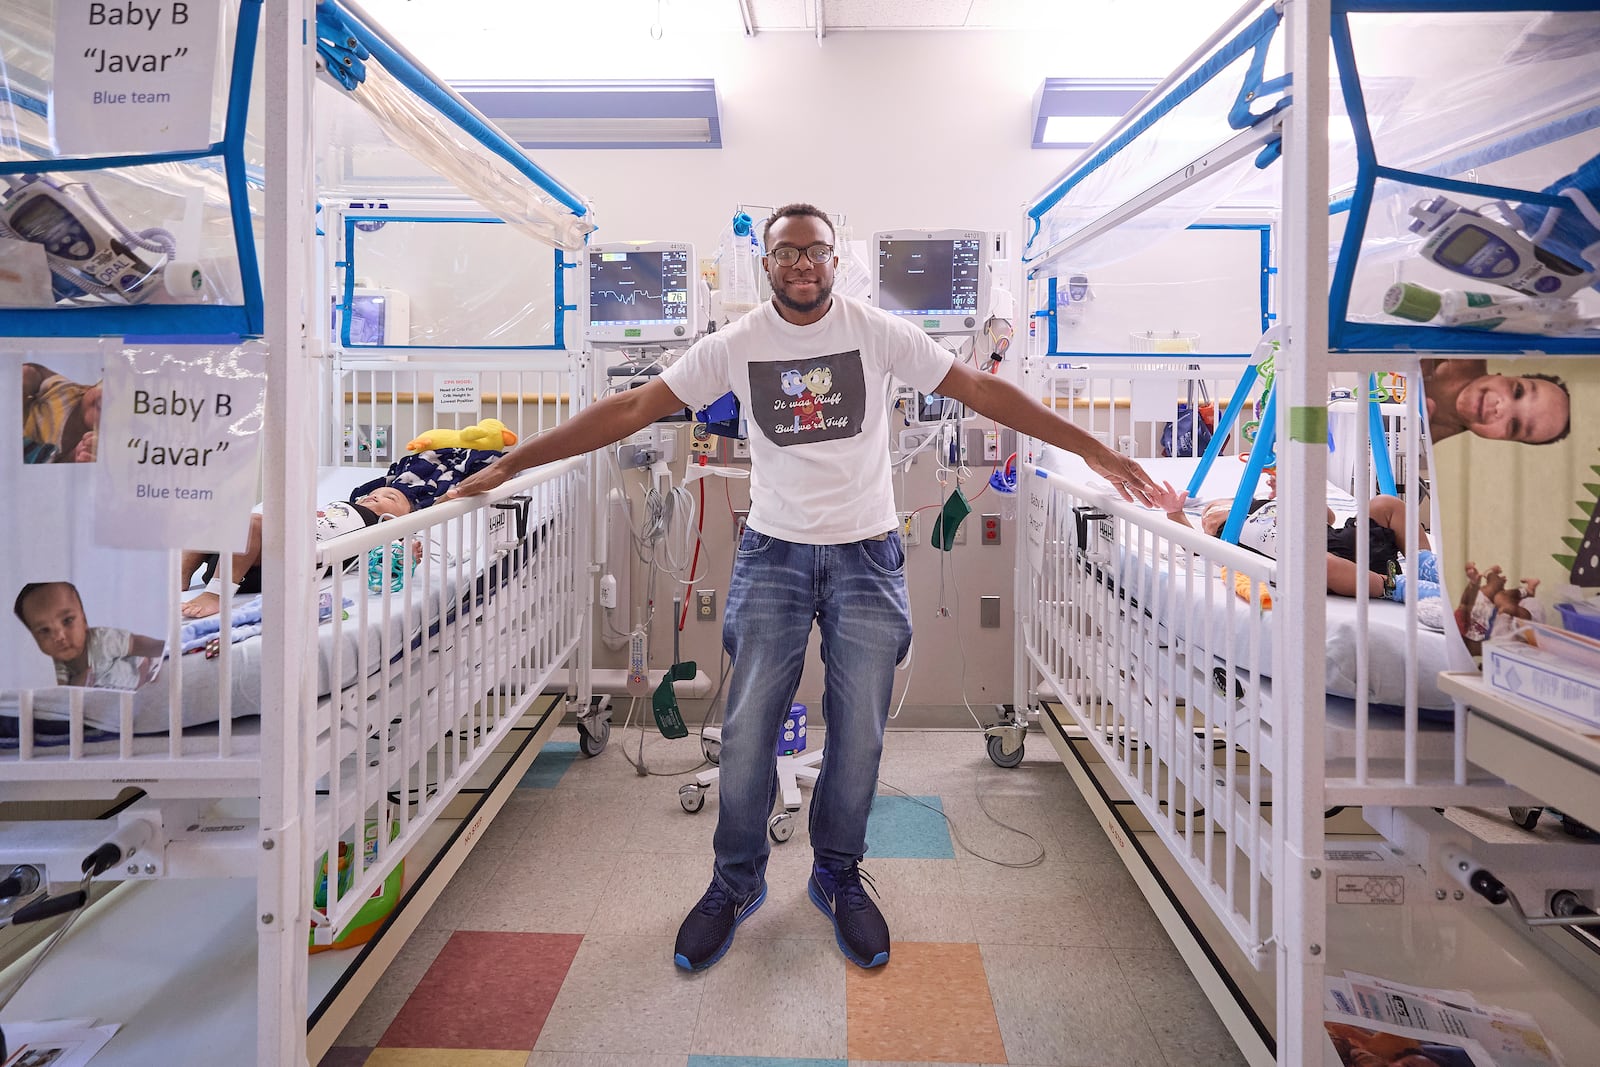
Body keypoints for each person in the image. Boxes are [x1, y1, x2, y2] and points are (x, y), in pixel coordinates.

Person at [447, 202, 1158, 973]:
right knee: (748, 730)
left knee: (861, 734)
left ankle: (837, 873)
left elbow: (982, 393)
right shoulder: (738, 342)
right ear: (768, 265)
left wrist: (1098, 451)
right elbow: (631, 406)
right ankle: (734, 882)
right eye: (786, 253)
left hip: (866, 557)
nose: (801, 264)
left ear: (834, 259)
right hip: (774, 555)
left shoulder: (877, 330)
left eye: (814, 250)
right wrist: (511, 464)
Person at [1149, 472, 1439, 603]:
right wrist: (1175, 512)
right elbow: (1191, 542)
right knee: (1317, 562)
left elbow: (1327, 516)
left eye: (1216, 512)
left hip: (1340, 539)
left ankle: (1425, 565)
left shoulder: (1269, 506)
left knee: (1386, 504)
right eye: (1209, 523)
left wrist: (1290, 494)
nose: (1209, 517)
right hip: (1327, 564)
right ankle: (1397, 587)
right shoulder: (1228, 545)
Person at [178, 486, 416, 618]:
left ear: (402, 519)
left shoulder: (381, 530)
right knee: (216, 515)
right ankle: (182, 575)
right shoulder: (340, 505)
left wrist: (409, 555)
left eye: (390, 497)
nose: (376, 495)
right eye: (374, 492)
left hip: (276, 565)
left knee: (252, 523)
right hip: (236, 554)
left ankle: (216, 595)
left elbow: (387, 565)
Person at [13, 581, 164, 690]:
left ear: (84, 620)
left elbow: (138, 643)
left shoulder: (102, 640)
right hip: (108, 691)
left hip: (138, 672)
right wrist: (76, 685)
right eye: (44, 630)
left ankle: (145, 665)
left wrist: (167, 647)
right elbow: (61, 694)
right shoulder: (58, 663)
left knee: (132, 668)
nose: (59, 636)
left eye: (67, 621)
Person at [1420, 358, 1570, 445]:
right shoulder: (1465, 340)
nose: (1501, 408)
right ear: (1505, 376)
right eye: (1517, 392)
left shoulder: (1416, 441)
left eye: (1514, 426)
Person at [21, 362, 102, 464]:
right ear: (92, 386)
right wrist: (29, 377)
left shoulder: (94, 446)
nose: (108, 399)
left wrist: (76, 456)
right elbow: (38, 372)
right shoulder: (65, 390)